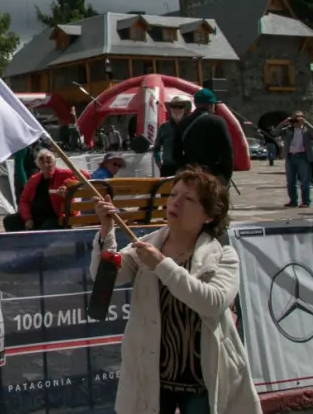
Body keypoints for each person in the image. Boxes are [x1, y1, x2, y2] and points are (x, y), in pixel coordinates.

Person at [92, 168, 261, 414]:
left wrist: (162, 265)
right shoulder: (147, 246)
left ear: (209, 215)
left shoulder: (224, 255)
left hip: (202, 382)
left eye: (189, 199)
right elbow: (104, 278)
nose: (176, 202)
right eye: (173, 195)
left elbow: (211, 302)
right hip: (152, 378)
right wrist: (106, 231)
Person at [4, 149, 84, 232]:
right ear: (39, 165)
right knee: (9, 220)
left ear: (54, 163)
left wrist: (67, 184)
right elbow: (24, 200)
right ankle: (19, 244)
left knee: (46, 226)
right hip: (35, 216)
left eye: (49, 162)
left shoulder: (62, 174)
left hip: (57, 216)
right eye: (42, 162)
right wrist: (27, 218)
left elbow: (85, 175)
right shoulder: (34, 179)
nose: (46, 165)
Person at [173, 89, 234, 185]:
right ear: (211, 104)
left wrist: (185, 168)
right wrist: (226, 176)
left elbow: (176, 151)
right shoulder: (217, 121)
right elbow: (227, 151)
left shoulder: (183, 123)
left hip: (192, 174)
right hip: (213, 173)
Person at [274, 111, 313, 208]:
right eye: (295, 118)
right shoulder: (288, 130)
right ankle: (293, 201)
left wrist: (306, 123)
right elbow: (275, 133)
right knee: (290, 181)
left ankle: (305, 202)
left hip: (303, 157)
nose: (296, 121)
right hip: (290, 157)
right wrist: (284, 122)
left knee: (305, 181)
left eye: (298, 118)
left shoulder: (307, 130)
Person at [152, 95, 191, 177]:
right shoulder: (163, 127)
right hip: (167, 167)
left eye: (180, 106)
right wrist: (160, 164)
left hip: (185, 167)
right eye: (174, 106)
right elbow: (156, 148)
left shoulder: (189, 125)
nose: (177, 109)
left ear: (184, 109)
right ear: (170, 109)